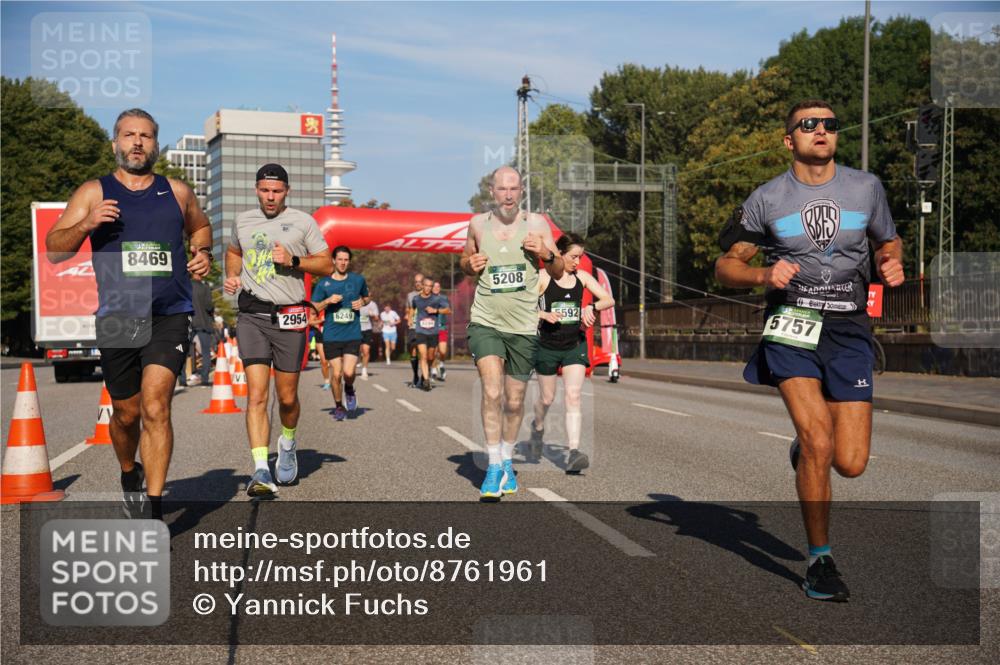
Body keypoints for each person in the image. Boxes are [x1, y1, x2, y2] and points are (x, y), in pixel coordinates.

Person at [715, 100, 904, 602]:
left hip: (849, 331)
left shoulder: (867, 188)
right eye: (809, 125)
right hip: (792, 326)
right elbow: (724, 266)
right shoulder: (767, 198)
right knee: (820, 442)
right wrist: (760, 274)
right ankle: (820, 560)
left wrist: (891, 262)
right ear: (789, 139)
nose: (821, 131)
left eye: (830, 125)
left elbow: (889, 241)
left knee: (851, 462)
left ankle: (804, 452)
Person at [45, 108, 212, 519]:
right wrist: (86, 224)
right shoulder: (93, 192)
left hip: (168, 313)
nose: (137, 142)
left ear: (156, 144)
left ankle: (153, 512)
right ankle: (127, 472)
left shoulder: (176, 191)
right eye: (129, 135)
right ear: (115, 143)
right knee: (126, 413)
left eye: (146, 136)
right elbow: (54, 250)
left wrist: (203, 251)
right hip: (119, 316)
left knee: (156, 406)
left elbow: (202, 227)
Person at [224, 163, 333, 498]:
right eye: (264, 190)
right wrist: (233, 275)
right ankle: (259, 469)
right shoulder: (242, 220)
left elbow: (326, 263)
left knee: (286, 397)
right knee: (257, 396)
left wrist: (295, 261)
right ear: (256, 189)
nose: (270, 197)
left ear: (287, 191)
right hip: (253, 314)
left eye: (276, 191)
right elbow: (233, 252)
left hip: (290, 317)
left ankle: (287, 442)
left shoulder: (304, 221)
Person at [461, 166, 563, 500]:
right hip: (486, 320)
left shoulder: (536, 225)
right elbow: (464, 258)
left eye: (513, 189)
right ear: (491, 191)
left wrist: (546, 253)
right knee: (492, 392)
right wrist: (470, 264)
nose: (507, 195)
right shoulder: (477, 224)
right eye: (501, 189)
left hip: (523, 325)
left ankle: (505, 458)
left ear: (521, 191)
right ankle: (493, 466)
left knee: (515, 400)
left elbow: (559, 267)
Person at [530, 233, 614, 473]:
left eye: (580, 257)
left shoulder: (583, 277)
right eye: (573, 257)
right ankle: (537, 428)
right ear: (559, 255)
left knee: (573, 395)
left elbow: (609, 299)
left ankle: (573, 452)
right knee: (546, 398)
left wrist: (591, 306)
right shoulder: (543, 278)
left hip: (573, 345)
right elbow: (522, 305)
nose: (577, 262)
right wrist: (543, 314)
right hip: (546, 345)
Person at [312, 245, 369, 421]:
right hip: (332, 335)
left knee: (349, 373)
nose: (343, 263)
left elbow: (367, 297)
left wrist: (362, 302)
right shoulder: (324, 283)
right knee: (336, 374)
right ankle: (338, 406)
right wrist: (328, 301)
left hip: (352, 333)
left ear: (349, 262)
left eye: (346, 260)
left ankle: (349, 389)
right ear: (334, 261)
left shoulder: (358, 280)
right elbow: (313, 307)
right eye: (340, 259)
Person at [411, 277, 451, 391]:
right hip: (420, 331)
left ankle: (427, 372)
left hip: (433, 332)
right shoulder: (416, 299)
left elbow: (448, 310)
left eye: (430, 286)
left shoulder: (437, 299)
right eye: (426, 285)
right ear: (422, 286)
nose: (428, 288)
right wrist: (410, 319)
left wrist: (436, 311)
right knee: (422, 356)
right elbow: (412, 309)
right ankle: (426, 380)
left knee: (430, 357)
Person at [179, 271, 215, 387]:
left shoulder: (185, 286)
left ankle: (183, 380)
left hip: (187, 323)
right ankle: (204, 379)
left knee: (183, 352)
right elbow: (209, 306)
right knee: (205, 352)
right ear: (200, 274)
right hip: (203, 323)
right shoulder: (205, 288)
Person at [405, 272, 424, 387]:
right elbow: (408, 309)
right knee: (413, 350)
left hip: (425, 326)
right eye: (416, 282)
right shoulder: (410, 295)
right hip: (413, 326)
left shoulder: (428, 294)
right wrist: (408, 318)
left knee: (423, 352)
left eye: (420, 282)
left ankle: (424, 376)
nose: (418, 284)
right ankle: (416, 375)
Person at [431, 280, 449, 381]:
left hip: (442, 327)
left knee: (442, 351)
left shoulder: (444, 298)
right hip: (431, 328)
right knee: (433, 352)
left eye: (438, 286)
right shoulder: (427, 299)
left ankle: (441, 365)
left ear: (440, 288)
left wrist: (437, 310)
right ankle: (433, 370)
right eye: (434, 286)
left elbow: (448, 310)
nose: (436, 288)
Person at [358, 297, 380, 379]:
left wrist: (373, 315)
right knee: (359, 350)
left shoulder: (372, 304)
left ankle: (364, 370)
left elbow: (377, 318)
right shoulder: (355, 302)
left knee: (366, 351)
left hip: (367, 329)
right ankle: (359, 358)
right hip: (356, 330)